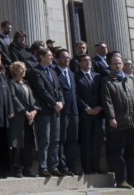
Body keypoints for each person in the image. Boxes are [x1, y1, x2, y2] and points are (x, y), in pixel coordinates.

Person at [101, 55, 134, 189]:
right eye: (115, 64)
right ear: (110, 65)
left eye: (119, 63)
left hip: (133, 122)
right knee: (118, 153)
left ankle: (133, 178)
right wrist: (111, 118)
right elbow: (107, 101)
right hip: (119, 123)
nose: (118, 66)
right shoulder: (107, 81)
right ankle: (121, 179)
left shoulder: (129, 80)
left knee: (132, 152)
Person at [27, 48, 64, 177]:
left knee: (55, 139)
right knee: (45, 139)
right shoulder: (35, 72)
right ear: (41, 57)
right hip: (45, 111)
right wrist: (54, 104)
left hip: (56, 111)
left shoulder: (53, 71)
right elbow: (42, 91)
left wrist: (61, 102)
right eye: (49, 55)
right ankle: (43, 167)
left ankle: (53, 166)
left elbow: (59, 89)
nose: (52, 57)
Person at [8, 61, 40, 177]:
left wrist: (34, 111)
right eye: (21, 68)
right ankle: (17, 169)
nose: (24, 70)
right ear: (15, 71)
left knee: (28, 143)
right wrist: (25, 111)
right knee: (18, 143)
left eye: (24, 68)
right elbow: (13, 98)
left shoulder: (27, 83)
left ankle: (28, 168)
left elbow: (33, 99)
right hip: (19, 117)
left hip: (29, 118)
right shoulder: (12, 83)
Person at [74, 54, 104, 174]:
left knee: (97, 141)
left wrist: (100, 107)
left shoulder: (97, 76)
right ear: (79, 63)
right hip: (84, 114)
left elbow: (103, 93)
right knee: (86, 141)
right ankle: (87, 168)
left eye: (89, 60)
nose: (88, 62)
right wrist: (86, 107)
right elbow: (76, 94)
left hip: (98, 113)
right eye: (85, 60)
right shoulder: (76, 76)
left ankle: (96, 166)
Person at [54, 48, 79, 176]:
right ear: (57, 59)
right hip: (62, 112)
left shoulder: (72, 73)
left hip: (74, 112)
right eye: (64, 57)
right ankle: (63, 166)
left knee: (72, 140)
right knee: (62, 140)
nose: (67, 59)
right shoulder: (54, 73)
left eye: (68, 57)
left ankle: (72, 166)